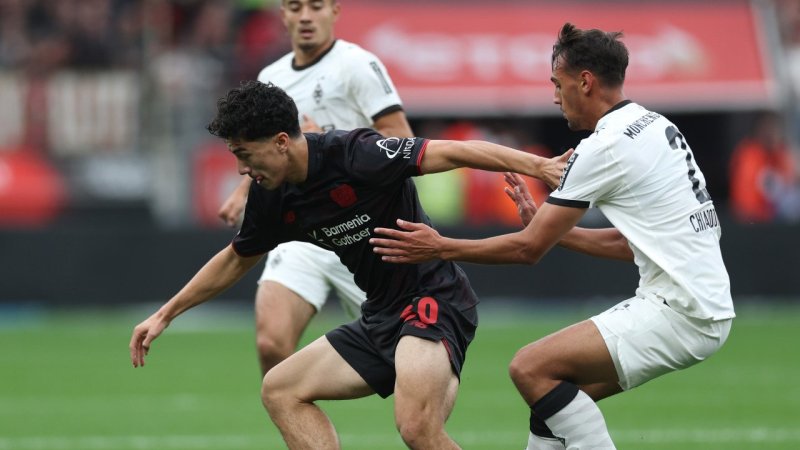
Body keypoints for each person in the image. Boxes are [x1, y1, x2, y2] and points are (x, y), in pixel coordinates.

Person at [129, 80, 567, 449]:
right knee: (280, 389)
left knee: (416, 428)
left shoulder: (357, 154)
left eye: (246, 154)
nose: (242, 169)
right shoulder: (272, 195)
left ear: (282, 142)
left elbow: (453, 152)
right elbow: (235, 259)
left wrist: (539, 165)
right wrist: (165, 315)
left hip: (431, 301)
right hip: (380, 315)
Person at [370, 23, 735, 449]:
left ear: (585, 81)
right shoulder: (655, 125)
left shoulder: (605, 146)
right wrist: (554, 233)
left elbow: (528, 250)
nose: (555, 97)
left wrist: (439, 247)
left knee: (529, 367)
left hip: (681, 310)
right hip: (705, 306)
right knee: (557, 401)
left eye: (557, 84)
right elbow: (627, 244)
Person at [217, 0, 414, 376]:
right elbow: (268, 151)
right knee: (271, 343)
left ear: (334, 12)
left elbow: (400, 139)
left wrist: (328, 141)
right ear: (283, 16)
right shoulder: (272, 75)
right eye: (295, 7)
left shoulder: (356, 65)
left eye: (316, 6)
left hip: (361, 229)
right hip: (303, 226)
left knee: (403, 363)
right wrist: (243, 192)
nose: (306, 16)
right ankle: (301, 422)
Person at [729, 110, 800, 223]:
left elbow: (791, 183)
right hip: (751, 223)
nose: (771, 133)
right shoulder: (749, 154)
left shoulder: (781, 154)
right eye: (767, 128)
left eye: (775, 128)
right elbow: (746, 202)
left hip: (778, 222)